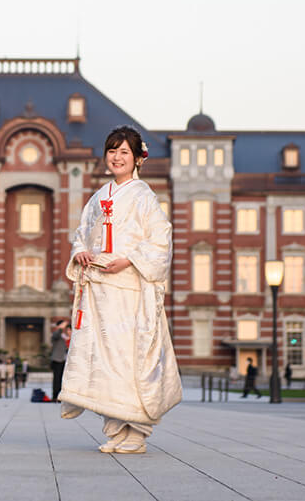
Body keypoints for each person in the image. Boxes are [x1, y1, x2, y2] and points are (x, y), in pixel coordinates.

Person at [59, 125, 181, 455]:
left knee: (129, 357)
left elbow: (160, 241)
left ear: (138, 158)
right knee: (103, 357)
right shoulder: (99, 197)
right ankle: (115, 428)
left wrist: (127, 261)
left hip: (130, 289)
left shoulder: (144, 197)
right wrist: (80, 252)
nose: (116, 157)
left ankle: (136, 432)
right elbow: (82, 233)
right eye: (112, 151)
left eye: (124, 151)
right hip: (100, 290)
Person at [49, 318, 70, 402]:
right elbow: (56, 335)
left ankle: (63, 396)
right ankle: (55, 396)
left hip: (65, 360)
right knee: (57, 379)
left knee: (63, 379)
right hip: (57, 360)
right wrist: (60, 328)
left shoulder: (66, 336)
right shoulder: (56, 335)